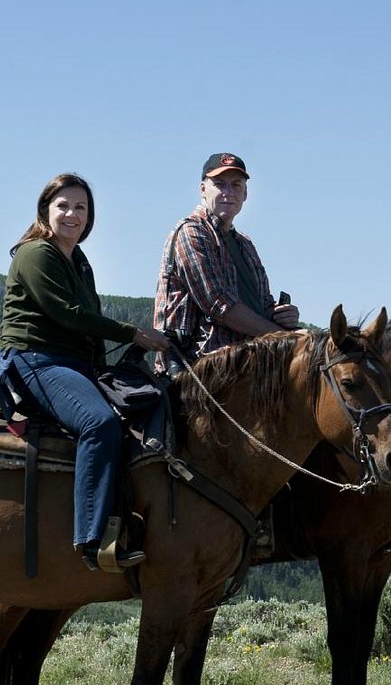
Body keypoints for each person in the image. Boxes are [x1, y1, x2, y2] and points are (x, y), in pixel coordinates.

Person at [0, 173, 171, 571]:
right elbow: (69, 314)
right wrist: (134, 333)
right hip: (35, 359)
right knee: (98, 423)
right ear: (46, 210)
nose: (72, 214)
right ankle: (92, 540)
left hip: (73, 363)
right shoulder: (35, 253)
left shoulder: (78, 260)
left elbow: (87, 321)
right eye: (63, 206)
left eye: (80, 207)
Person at [153, 153, 299, 362]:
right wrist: (284, 337)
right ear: (203, 189)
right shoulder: (192, 232)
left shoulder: (244, 244)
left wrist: (284, 315)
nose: (228, 193)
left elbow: (263, 301)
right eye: (220, 184)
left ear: (245, 193)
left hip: (249, 361)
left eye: (236, 185)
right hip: (199, 365)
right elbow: (220, 306)